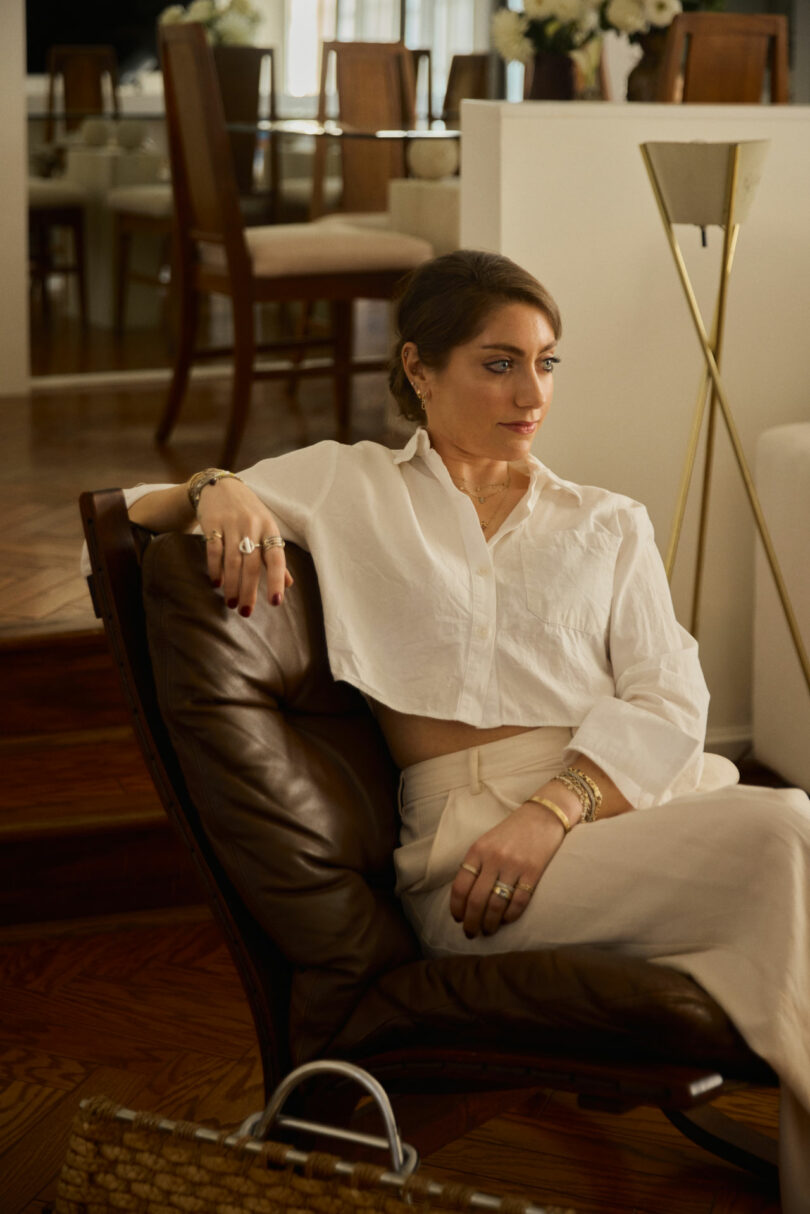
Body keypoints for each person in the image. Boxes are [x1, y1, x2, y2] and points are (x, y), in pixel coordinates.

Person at [123, 250, 809, 1211]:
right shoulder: (350, 485)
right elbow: (127, 516)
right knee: (788, 831)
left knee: (793, 837)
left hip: (607, 812)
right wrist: (215, 485)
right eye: (499, 363)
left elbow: (670, 700)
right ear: (418, 368)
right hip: (468, 866)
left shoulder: (608, 523)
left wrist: (554, 809)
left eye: (547, 363)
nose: (532, 392)